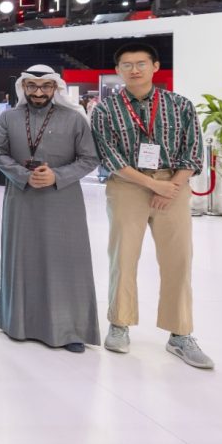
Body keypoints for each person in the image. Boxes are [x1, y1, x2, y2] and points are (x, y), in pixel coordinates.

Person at [90, 42, 211, 369]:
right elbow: (109, 156)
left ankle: (180, 334)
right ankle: (119, 324)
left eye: (141, 63)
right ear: (118, 70)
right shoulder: (105, 109)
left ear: (155, 66)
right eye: (127, 65)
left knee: (178, 260)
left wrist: (170, 186)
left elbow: (193, 151)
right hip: (127, 186)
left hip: (173, 185)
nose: (134, 70)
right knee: (123, 258)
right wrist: (152, 185)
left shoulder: (180, 104)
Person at [0, 66, 100, 352]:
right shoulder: (9, 118)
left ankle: (70, 329)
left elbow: (89, 158)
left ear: (55, 88)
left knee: (66, 262)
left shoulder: (74, 119)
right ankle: (19, 324)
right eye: (32, 86)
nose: (39, 92)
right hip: (22, 198)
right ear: (23, 87)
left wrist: (56, 176)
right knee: (23, 259)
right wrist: (23, 175)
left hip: (62, 200)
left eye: (45, 86)